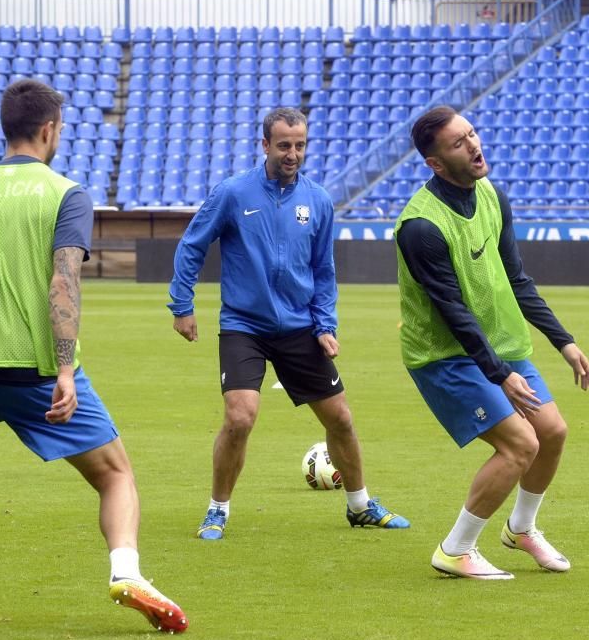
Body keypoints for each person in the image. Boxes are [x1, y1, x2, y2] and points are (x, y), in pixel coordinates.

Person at [0, 80, 187, 633]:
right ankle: (126, 570)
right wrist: (62, 369)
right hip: (32, 366)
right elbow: (64, 279)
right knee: (115, 474)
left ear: (4, 127)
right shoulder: (66, 192)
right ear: (51, 129)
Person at [168, 107, 410, 540]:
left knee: (340, 419)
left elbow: (324, 269)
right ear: (265, 145)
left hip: (300, 326)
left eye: (299, 145)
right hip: (245, 325)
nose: (292, 153)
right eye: (284, 145)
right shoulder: (233, 193)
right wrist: (181, 305)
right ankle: (216, 510)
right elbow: (191, 245)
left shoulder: (317, 200)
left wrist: (325, 324)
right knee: (240, 417)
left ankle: (360, 506)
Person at [394, 106, 589, 580]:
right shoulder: (421, 227)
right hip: (444, 356)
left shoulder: (492, 196)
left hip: (501, 346)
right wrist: (499, 375)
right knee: (519, 445)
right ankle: (455, 549)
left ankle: (521, 528)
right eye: (459, 143)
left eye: (472, 133)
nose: (475, 145)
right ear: (436, 163)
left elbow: (517, 279)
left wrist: (562, 341)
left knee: (553, 433)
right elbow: (453, 312)